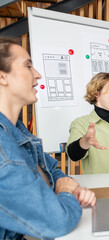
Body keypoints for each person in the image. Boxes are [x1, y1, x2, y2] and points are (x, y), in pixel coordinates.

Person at [0, 37, 96, 239]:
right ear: (2, 76)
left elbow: (51, 169)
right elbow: (56, 222)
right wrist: (67, 193)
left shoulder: (15, 130)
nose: (38, 75)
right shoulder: (3, 152)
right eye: (28, 66)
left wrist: (68, 190)